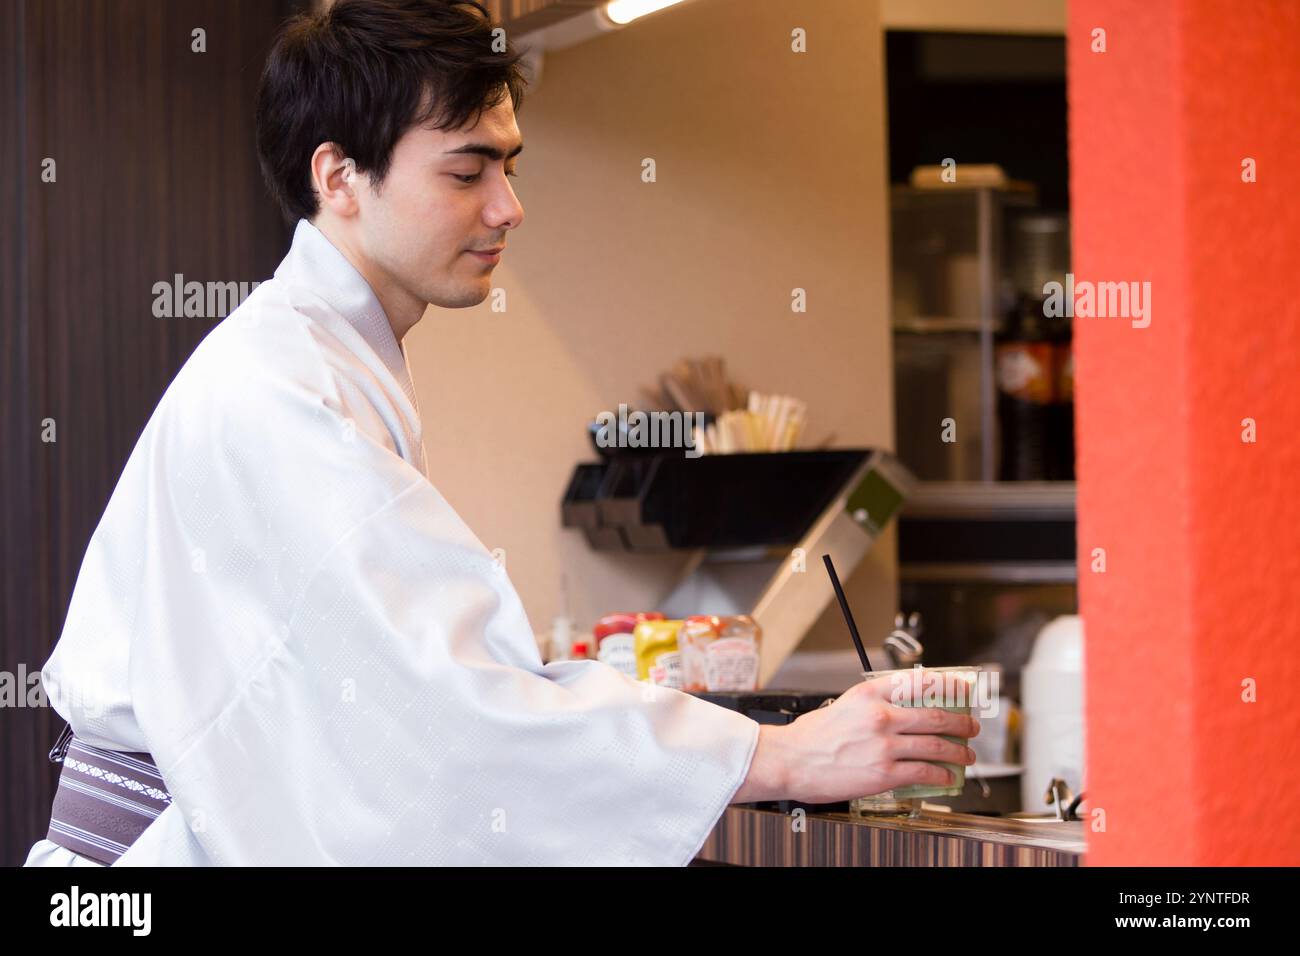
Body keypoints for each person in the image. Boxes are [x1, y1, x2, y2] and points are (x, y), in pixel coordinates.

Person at [25, 0, 976, 867]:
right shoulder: (282, 390)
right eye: (467, 169)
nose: (508, 206)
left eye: (510, 166)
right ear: (339, 176)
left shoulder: (318, 360)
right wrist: (780, 754)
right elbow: (453, 719)